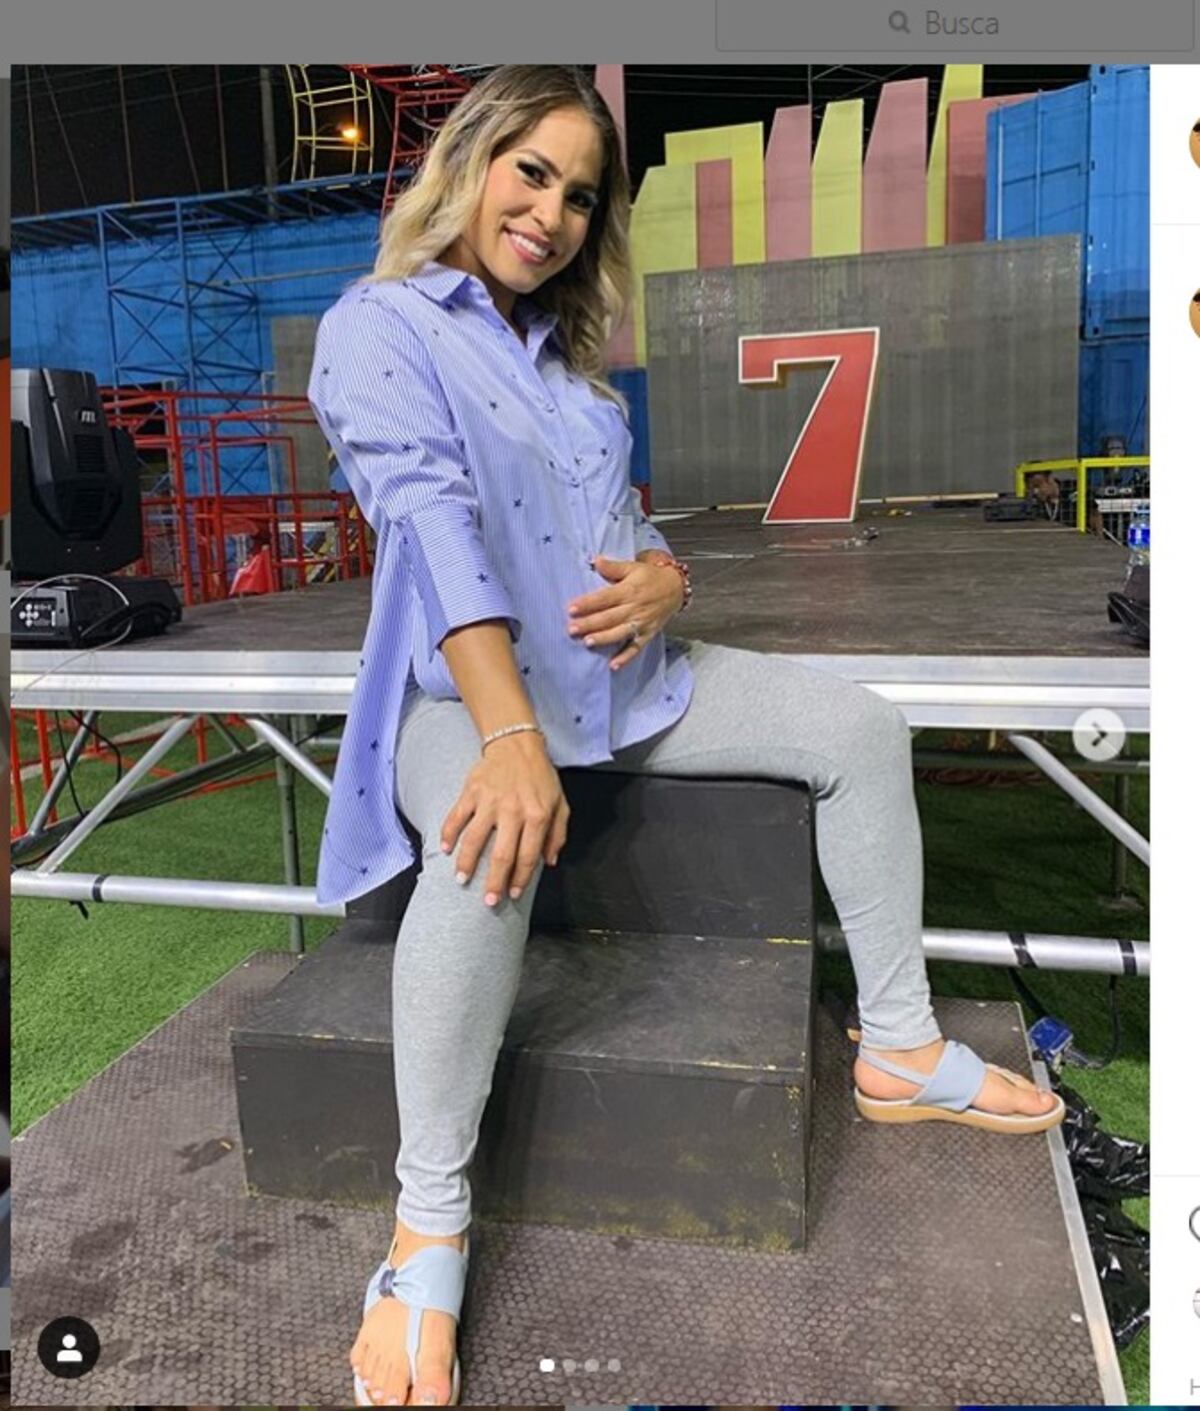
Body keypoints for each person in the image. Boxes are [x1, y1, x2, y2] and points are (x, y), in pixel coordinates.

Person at [307, 64, 1064, 1409]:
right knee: (488, 842)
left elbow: (625, 528)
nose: (550, 213)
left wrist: (667, 577)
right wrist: (509, 734)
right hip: (465, 700)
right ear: (471, 161)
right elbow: (430, 525)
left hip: (630, 690)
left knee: (857, 729)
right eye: (531, 172)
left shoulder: (574, 375)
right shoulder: (379, 326)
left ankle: (897, 1048)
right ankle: (427, 1228)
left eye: (578, 196)